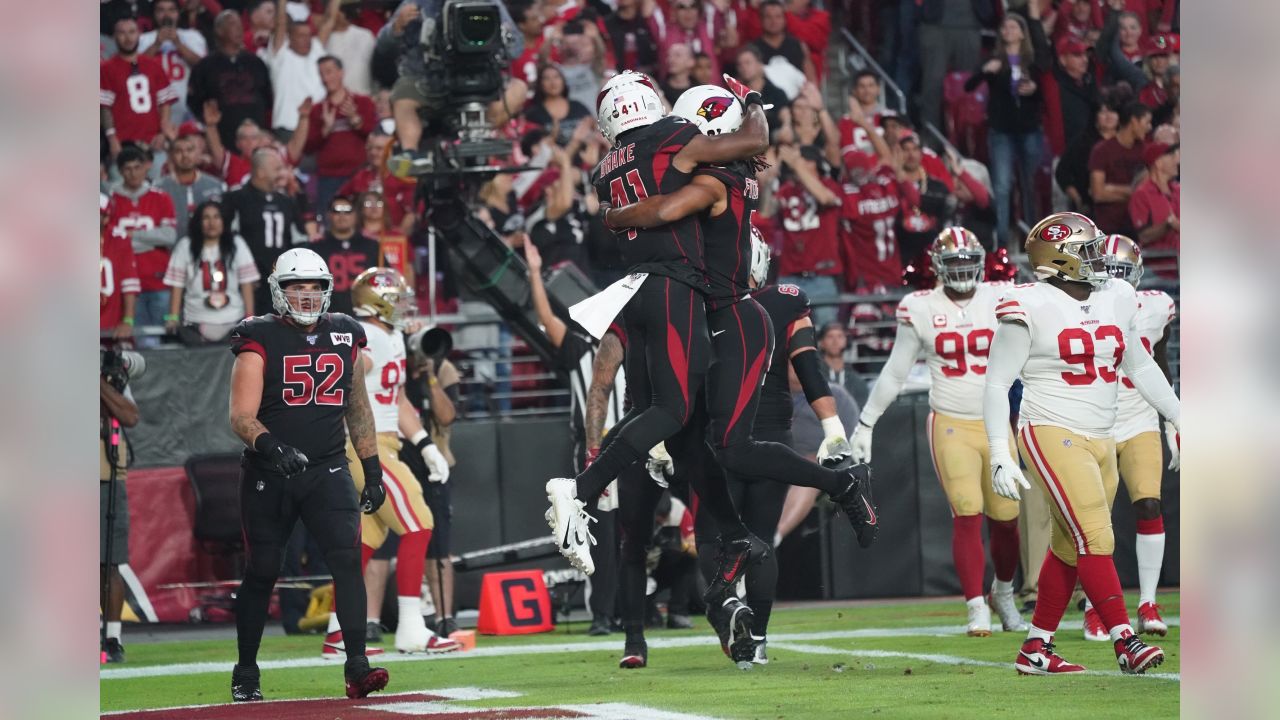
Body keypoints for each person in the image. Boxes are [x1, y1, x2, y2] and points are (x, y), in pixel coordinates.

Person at [604, 88, 876, 663]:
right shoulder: (726, 175)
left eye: (691, 134)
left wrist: (616, 213)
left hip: (733, 320)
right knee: (714, 457)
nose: (680, 143)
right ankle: (730, 607)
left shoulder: (714, 181)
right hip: (721, 324)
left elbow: (663, 210)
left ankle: (840, 486)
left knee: (727, 447)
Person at [544, 71, 769, 578]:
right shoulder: (673, 139)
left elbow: (628, 210)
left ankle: (730, 533)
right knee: (674, 409)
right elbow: (755, 139)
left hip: (634, 288)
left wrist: (618, 216)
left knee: (661, 412)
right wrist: (749, 96)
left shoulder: (606, 166)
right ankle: (578, 488)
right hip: (674, 284)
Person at [983, 212, 1178, 675]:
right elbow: (995, 385)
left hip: (1102, 433)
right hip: (1050, 428)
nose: (1099, 258)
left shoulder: (1118, 296)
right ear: (1059, 259)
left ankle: (1036, 648)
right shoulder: (1028, 304)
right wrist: (998, 451)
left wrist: (1179, 415)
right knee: (1096, 534)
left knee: (1071, 546)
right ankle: (1124, 640)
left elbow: (1142, 365)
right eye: (1087, 249)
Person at [226, 248, 389, 701]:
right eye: (296, 287)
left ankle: (357, 666)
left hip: (327, 467)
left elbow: (357, 407)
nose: (305, 296)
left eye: (314, 287)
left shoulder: (344, 332)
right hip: (270, 470)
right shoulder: (258, 336)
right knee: (262, 570)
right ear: (279, 290)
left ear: (327, 289)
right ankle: (246, 672)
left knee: (346, 559)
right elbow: (240, 416)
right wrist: (272, 446)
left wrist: (371, 469)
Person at [851, 227, 1028, 636]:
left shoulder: (1001, 296)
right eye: (955, 263)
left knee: (1006, 517)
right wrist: (866, 422)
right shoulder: (920, 307)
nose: (963, 270)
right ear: (938, 267)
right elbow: (896, 371)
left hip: (998, 424)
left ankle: (1003, 593)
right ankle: (974, 606)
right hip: (950, 420)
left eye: (969, 262)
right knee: (966, 510)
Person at [320, 267, 460, 657]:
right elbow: (347, 377)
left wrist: (424, 443)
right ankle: (412, 628)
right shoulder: (372, 340)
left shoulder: (389, 336)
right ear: (377, 301)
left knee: (366, 541)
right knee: (419, 523)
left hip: (384, 443)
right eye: (397, 299)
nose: (404, 306)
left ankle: (338, 632)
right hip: (367, 446)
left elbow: (395, 399)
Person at [524, 241, 626, 638]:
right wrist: (534, 272)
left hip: (636, 445)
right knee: (600, 534)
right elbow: (546, 317)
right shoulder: (579, 347)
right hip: (596, 451)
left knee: (644, 529)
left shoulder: (635, 344)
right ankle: (603, 613)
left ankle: (642, 608)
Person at [1078, 235, 1176, 641]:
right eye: (1109, 270)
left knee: (1149, 504)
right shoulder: (1079, 305)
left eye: (1122, 272)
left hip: (1138, 419)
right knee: (1092, 520)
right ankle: (1094, 606)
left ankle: (1147, 602)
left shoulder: (1154, 307)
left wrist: (1172, 421)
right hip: (1095, 421)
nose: (1115, 280)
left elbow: (1160, 363)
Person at [963, 8, 1049, 247]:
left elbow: (1046, 94)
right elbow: (968, 86)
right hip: (1001, 131)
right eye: (1005, 27)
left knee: (1030, 184)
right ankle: (1001, 242)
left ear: (1023, 34)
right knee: (1002, 186)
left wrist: (1034, 90)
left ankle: (1035, 240)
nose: (1007, 30)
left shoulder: (1033, 61)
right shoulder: (993, 59)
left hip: (1030, 129)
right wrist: (984, 71)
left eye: (1013, 27)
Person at [222, 148, 309, 312]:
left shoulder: (287, 202)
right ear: (261, 172)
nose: (282, 173)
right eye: (277, 169)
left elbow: (299, 240)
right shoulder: (236, 199)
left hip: (280, 278)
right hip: (246, 279)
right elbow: (226, 238)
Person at [163, 201, 260, 344]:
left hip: (233, 319)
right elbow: (177, 285)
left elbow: (247, 283)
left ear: (224, 221)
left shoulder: (237, 244)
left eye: (216, 217)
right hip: (195, 321)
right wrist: (173, 317)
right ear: (198, 222)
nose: (211, 223)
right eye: (206, 218)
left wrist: (250, 318)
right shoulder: (185, 246)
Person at [107, 146, 179, 333]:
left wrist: (130, 236)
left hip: (158, 280)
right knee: (133, 341)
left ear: (146, 167)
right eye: (128, 169)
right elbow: (110, 241)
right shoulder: (111, 200)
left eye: (137, 167)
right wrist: (151, 239)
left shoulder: (161, 198)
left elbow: (169, 236)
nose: (133, 173)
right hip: (125, 286)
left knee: (161, 338)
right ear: (120, 171)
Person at [773, 143, 843, 327]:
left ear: (816, 164)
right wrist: (773, 172)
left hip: (822, 277)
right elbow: (765, 212)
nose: (799, 164)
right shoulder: (786, 190)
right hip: (789, 276)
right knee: (783, 336)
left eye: (805, 161)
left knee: (828, 334)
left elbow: (824, 198)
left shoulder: (829, 186)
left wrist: (796, 164)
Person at [100, 362, 140, 663]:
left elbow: (129, 416)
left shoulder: (111, 375)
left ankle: (112, 637)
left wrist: (98, 383)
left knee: (110, 563)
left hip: (107, 478)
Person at [187, 10, 274, 149]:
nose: (239, 29)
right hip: (222, 140)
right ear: (219, 31)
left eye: (240, 25)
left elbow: (268, 99)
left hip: (256, 138)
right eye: (233, 24)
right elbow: (194, 102)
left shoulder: (256, 63)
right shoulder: (205, 66)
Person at [304, 55, 377, 213]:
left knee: (361, 221)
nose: (325, 78)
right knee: (330, 222)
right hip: (328, 178)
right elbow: (308, 147)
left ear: (341, 73)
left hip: (359, 175)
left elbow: (375, 136)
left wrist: (356, 121)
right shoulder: (317, 110)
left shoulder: (363, 102)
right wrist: (325, 130)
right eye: (321, 74)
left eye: (329, 72)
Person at [101, 16, 177, 158]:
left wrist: (162, 132)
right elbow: (104, 107)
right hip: (123, 143)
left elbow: (164, 103)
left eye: (131, 32)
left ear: (139, 34)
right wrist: (112, 138)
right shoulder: (106, 69)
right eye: (122, 33)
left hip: (154, 142)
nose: (128, 38)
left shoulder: (153, 65)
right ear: (114, 36)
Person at [312, 195, 385, 314]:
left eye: (347, 211)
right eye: (337, 211)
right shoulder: (316, 248)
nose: (342, 216)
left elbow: (385, 280)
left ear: (355, 215)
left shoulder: (372, 246)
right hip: (327, 317)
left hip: (366, 315)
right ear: (328, 215)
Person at [264, 0, 327, 139]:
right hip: (288, 127)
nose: (307, 40)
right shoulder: (281, 54)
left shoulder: (316, 48)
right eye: (301, 36)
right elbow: (280, 24)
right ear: (289, 38)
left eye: (309, 35)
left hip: (317, 127)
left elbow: (329, 20)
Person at [138, 0, 208, 124]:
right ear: (154, 14)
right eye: (161, 10)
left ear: (178, 13)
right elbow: (135, 69)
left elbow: (203, 68)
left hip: (187, 106)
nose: (166, 14)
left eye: (171, 10)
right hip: (153, 106)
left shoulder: (193, 36)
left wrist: (178, 43)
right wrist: (156, 44)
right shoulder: (143, 39)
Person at [1088, 101, 1151, 234]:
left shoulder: (1145, 150)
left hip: (1138, 227)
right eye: (1146, 122)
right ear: (1134, 121)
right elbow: (1098, 194)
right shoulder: (1102, 150)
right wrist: (1133, 192)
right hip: (1108, 228)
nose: (1149, 127)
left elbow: (1146, 191)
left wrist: (1112, 189)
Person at [338, 131, 417, 235]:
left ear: (390, 151)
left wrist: (398, 236)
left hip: (394, 237)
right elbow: (339, 201)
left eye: (379, 149)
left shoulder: (404, 178)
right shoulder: (360, 176)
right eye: (370, 149)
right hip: (362, 237)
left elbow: (413, 212)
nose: (373, 152)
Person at [156, 131, 226, 235]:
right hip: (171, 248)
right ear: (171, 156)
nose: (185, 155)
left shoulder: (216, 186)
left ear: (198, 154)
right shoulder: (159, 188)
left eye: (190, 150)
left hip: (206, 248)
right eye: (179, 151)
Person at [1055, 99, 1118, 213]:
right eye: (1103, 112)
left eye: (1112, 111)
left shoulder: (1125, 140)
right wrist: (1077, 198)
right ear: (1095, 118)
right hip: (1089, 204)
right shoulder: (1082, 142)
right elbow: (1062, 172)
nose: (1108, 116)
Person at [1128, 142, 1179, 275]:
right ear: (1158, 163)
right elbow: (1144, 236)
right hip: (1158, 271)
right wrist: (1167, 225)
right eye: (1171, 156)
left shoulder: (1179, 190)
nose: (1176, 160)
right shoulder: (1142, 194)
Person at [101, 193, 141, 340]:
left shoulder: (118, 238)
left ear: (106, 218)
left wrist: (128, 321)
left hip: (110, 323)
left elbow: (129, 283)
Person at [525, 64, 594, 149]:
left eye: (556, 77)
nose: (553, 82)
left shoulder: (578, 106)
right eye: (546, 78)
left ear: (563, 81)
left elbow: (594, 129)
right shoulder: (533, 114)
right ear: (540, 84)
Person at [318, 0, 377, 95]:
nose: (345, 14)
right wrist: (331, 16)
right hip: (333, 100)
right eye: (342, 9)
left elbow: (377, 69)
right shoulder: (323, 40)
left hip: (362, 98)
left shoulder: (365, 36)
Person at [750, 0, 816, 84]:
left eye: (778, 17)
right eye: (768, 17)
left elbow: (811, 80)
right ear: (761, 19)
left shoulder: (798, 45)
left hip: (798, 96)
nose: (773, 21)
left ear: (784, 19)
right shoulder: (752, 49)